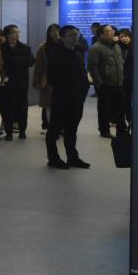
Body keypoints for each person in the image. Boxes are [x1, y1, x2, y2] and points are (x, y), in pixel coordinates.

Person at [46, 26, 91, 169]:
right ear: (62, 37)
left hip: (77, 99)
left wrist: (84, 91)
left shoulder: (77, 52)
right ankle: (53, 159)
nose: (75, 37)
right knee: (54, 129)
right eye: (71, 35)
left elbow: (82, 74)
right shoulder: (56, 54)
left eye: (76, 35)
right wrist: (65, 91)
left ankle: (72, 157)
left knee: (72, 130)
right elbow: (52, 77)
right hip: (62, 99)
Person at [88, 24, 127, 139]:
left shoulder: (116, 46)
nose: (113, 32)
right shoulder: (96, 48)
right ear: (101, 35)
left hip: (118, 82)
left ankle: (121, 130)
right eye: (109, 31)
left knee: (120, 108)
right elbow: (92, 67)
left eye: (112, 30)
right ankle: (104, 130)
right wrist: (99, 83)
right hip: (105, 84)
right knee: (104, 108)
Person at [0, 25, 34, 140]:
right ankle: (8, 132)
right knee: (6, 107)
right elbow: (0, 63)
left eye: (18, 32)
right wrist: (19, 61)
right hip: (6, 82)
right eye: (14, 32)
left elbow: (30, 61)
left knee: (22, 107)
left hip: (21, 82)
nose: (17, 34)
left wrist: (12, 61)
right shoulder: (1, 48)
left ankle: (22, 130)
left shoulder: (25, 48)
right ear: (7, 34)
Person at [32, 24, 61, 133]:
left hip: (62, 80)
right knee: (49, 105)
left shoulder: (64, 45)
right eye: (53, 31)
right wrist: (37, 81)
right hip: (48, 80)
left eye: (57, 30)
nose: (55, 33)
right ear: (48, 33)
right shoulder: (43, 47)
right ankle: (52, 128)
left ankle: (59, 127)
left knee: (61, 105)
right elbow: (39, 66)